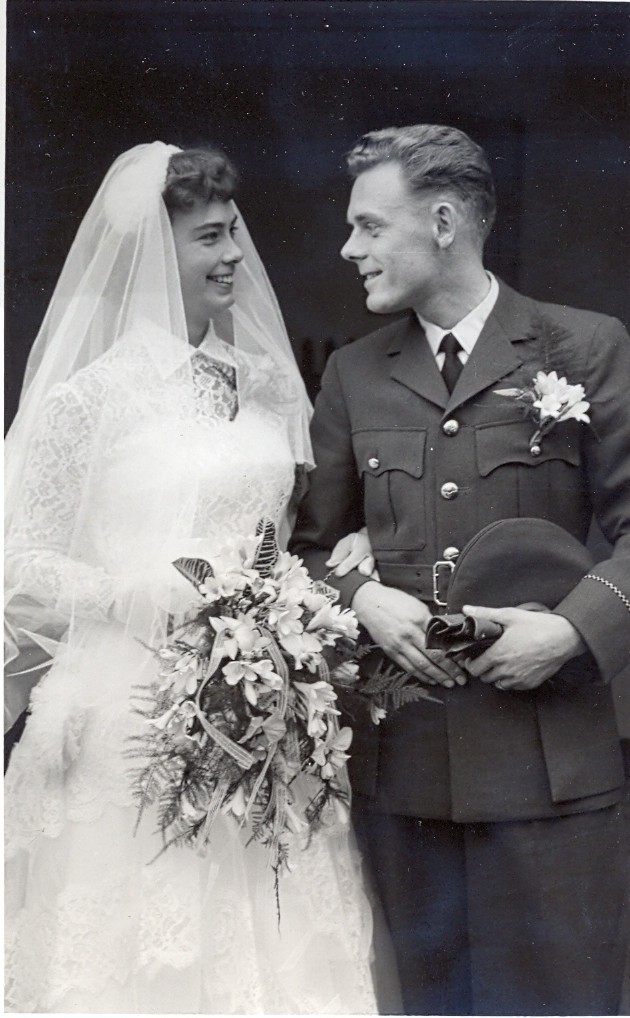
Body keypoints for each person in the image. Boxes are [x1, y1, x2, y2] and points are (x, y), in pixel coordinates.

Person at [4, 142, 381, 1013]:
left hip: (263, 704)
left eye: (235, 232)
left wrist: (346, 551)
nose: (235, 255)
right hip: (125, 708)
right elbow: (18, 556)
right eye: (210, 237)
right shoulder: (89, 398)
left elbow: (293, 532)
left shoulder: (269, 388)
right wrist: (131, 591)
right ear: (151, 251)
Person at [291, 124, 630, 1015]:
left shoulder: (583, 347)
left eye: (369, 225)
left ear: (443, 222)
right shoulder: (355, 376)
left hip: (553, 777)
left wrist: (573, 631)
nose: (349, 248)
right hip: (406, 782)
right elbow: (308, 549)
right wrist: (363, 598)